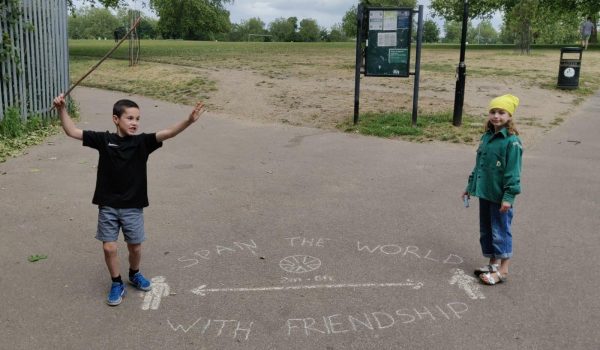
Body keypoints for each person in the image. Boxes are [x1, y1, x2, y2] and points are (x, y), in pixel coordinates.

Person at [52, 94, 205, 305]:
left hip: (133, 206)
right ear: (116, 119)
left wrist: (188, 120)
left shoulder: (142, 142)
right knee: (109, 247)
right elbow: (72, 131)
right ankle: (116, 282)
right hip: (108, 205)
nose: (135, 123)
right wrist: (62, 109)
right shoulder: (104, 140)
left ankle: (134, 273)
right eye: (130, 118)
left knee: (135, 247)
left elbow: (168, 133)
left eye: (137, 118)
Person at [462, 94, 523, 286]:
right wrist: (470, 187)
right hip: (485, 193)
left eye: (501, 112)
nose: (496, 116)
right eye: (493, 112)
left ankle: (503, 271)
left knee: (501, 231)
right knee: (487, 230)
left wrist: (508, 196)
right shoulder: (487, 137)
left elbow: (513, 172)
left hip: (500, 196)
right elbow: (479, 165)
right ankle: (493, 264)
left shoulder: (512, 142)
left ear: (509, 116)